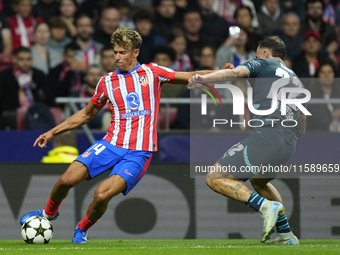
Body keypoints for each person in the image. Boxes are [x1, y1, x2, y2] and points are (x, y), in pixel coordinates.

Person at [19, 27, 226, 243]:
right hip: (110, 143)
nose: (117, 57)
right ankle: (49, 214)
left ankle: (82, 228)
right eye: (115, 52)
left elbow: (190, 76)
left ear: (135, 52)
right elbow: (87, 114)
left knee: (101, 195)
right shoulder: (106, 82)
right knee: (65, 180)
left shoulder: (152, 73)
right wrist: (53, 131)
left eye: (122, 52)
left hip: (139, 152)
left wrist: (221, 73)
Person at [189, 36, 306, 245]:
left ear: (266, 54)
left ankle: (264, 206)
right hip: (289, 144)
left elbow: (235, 72)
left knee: (214, 178)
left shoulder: (263, 63)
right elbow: (303, 125)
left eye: (257, 54)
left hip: (267, 135)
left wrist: (202, 79)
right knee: (259, 180)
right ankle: (287, 235)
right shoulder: (295, 78)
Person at [0, 47, 46, 129]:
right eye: (21, 59)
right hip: (12, 112)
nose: (25, 63)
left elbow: (47, 97)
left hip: (35, 111)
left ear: (32, 59)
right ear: (15, 60)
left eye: (28, 59)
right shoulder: (4, 76)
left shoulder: (39, 75)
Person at [307, 60, 340, 131]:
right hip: (320, 135)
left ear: (334, 75)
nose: (326, 75)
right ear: (318, 76)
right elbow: (318, 120)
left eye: (329, 72)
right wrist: (333, 116)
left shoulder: (338, 94)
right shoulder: (311, 96)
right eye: (323, 72)